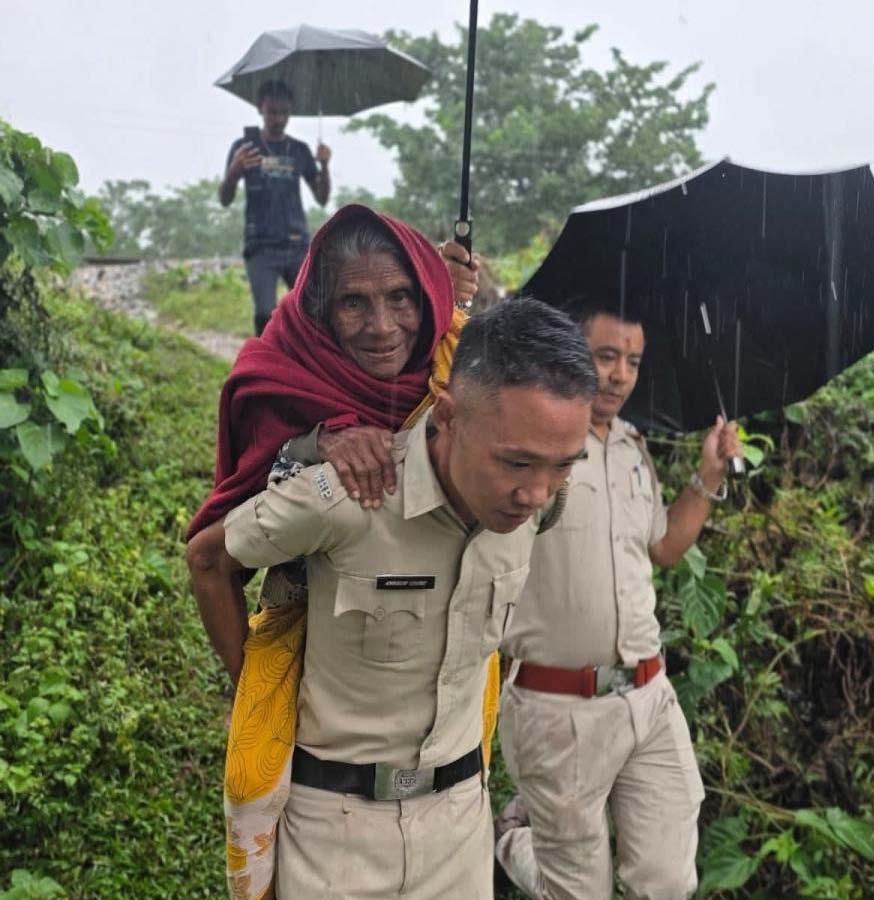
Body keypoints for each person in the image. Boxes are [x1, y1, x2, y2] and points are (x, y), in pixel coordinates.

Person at [187, 296, 598, 900]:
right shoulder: (348, 499)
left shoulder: (534, 510)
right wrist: (252, 689)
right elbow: (208, 559)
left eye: (563, 467)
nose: (536, 492)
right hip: (336, 837)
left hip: (460, 828)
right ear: (450, 417)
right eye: (517, 463)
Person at [493, 307, 743, 900]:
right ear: (572, 351)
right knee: (579, 892)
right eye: (606, 356)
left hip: (650, 700)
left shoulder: (632, 447)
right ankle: (510, 839)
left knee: (666, 882)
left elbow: (663, 547)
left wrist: (708, 475)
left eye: (632, 360)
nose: (620, 375)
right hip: (558, 709)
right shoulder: (531, 445)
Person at [219, 79, 331, 335]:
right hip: (261, 246)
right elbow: (224, 198)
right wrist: (235, 170)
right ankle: (266, 366)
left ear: (290, 110)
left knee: (314, 309)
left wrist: (324, 165)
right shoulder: (243, 148)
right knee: (264, 313)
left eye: (284, 112)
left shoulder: (299, 150)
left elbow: (322, 197)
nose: (278, 119)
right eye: (272, 112)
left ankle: (309, 365)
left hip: (296, 244)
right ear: (260, 108)